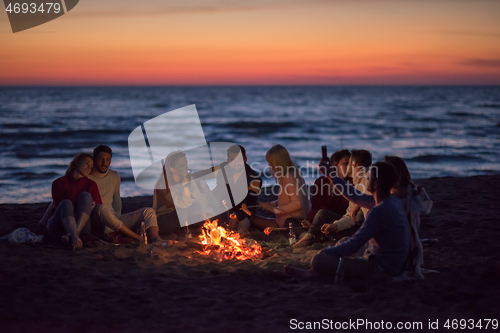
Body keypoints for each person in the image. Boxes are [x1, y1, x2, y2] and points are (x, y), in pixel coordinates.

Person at [285, 162, 411, 281]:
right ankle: (313, 272)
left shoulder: (379, 211)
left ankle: (313, 273)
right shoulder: (391, 200)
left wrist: (325, 252)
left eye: (369, 178)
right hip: (390, 260)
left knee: (318, 260)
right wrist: (332, 176)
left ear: (375, 184)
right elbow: (355, 196)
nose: (366, 179)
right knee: (343, 242)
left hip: (382, 268)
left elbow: (354, 244)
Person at [89, 145, 162, 243]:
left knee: (148, 211)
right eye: (100, 159)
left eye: (107, 159)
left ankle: (155, 239)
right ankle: (138, 238)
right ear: (94, 159)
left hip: (115, 221)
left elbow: (116, 201)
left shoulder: (114, 176)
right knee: (101, 208)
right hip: (98, 221)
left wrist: (117, 220)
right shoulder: (87, 177)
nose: (104, 163)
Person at [41, 153, 102, 249]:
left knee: (86, 196)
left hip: (82, 225)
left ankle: (74, 235)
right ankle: (74, 236)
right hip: (60, 224)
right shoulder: (58, 183)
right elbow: (58, 207)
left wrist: (92, 207)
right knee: (66, 203)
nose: (89, 167)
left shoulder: (91, 185)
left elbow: (99, 207)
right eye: (86, 163)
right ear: (77, 162)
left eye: (91, 166)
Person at [292, 149, 351, 248]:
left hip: (338, 220)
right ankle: (310, 236)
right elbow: (316, 205)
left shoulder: (350, 183)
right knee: (290, 221)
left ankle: (307, 239)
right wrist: (310, 221)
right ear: (335, 165)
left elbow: (343, 209)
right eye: (345, 164)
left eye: (350, 164)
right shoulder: (320, 182)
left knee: (322, 213)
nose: (349, 167)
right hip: (319, 220)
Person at [250, 144, 310, 232]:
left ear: (279, 163)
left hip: (290, 225)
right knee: (254, 217)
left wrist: (275, 210)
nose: (271, 167)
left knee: (252, 218)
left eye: (271, 164)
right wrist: (273, 204)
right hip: (292, 221)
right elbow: (290, 199)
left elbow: (297, 203)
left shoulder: (288, 177)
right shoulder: (295, 172)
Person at [153, 150, 215, 235]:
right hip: (165, 218)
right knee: (188, 210)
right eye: (182, 166)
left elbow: (199, 199)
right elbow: (182, 205)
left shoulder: (187, 179)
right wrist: (185, 188)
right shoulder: (163, 186)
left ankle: (200, 227)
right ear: (172, 169)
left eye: (186, 164)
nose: (186, 168)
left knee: (203, 211)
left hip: (183, 215)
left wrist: (206, 214)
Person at [318, 149, 372, 239]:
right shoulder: (359, 183)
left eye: (348, 163)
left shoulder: (367, 179)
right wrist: (335, 226)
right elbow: (350, 216)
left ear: (354, 164)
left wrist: (358, 203)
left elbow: (356, 215)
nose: (347, 166)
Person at [211, 145, 262, 235]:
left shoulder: (254, 179)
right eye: (232, 160)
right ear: (228, 161)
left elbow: (249, 203)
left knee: (243, 225)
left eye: (239, 159)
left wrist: (236, 217)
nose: (236, 163)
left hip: (242, 214)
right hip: (223, 209)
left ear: (245, 159)